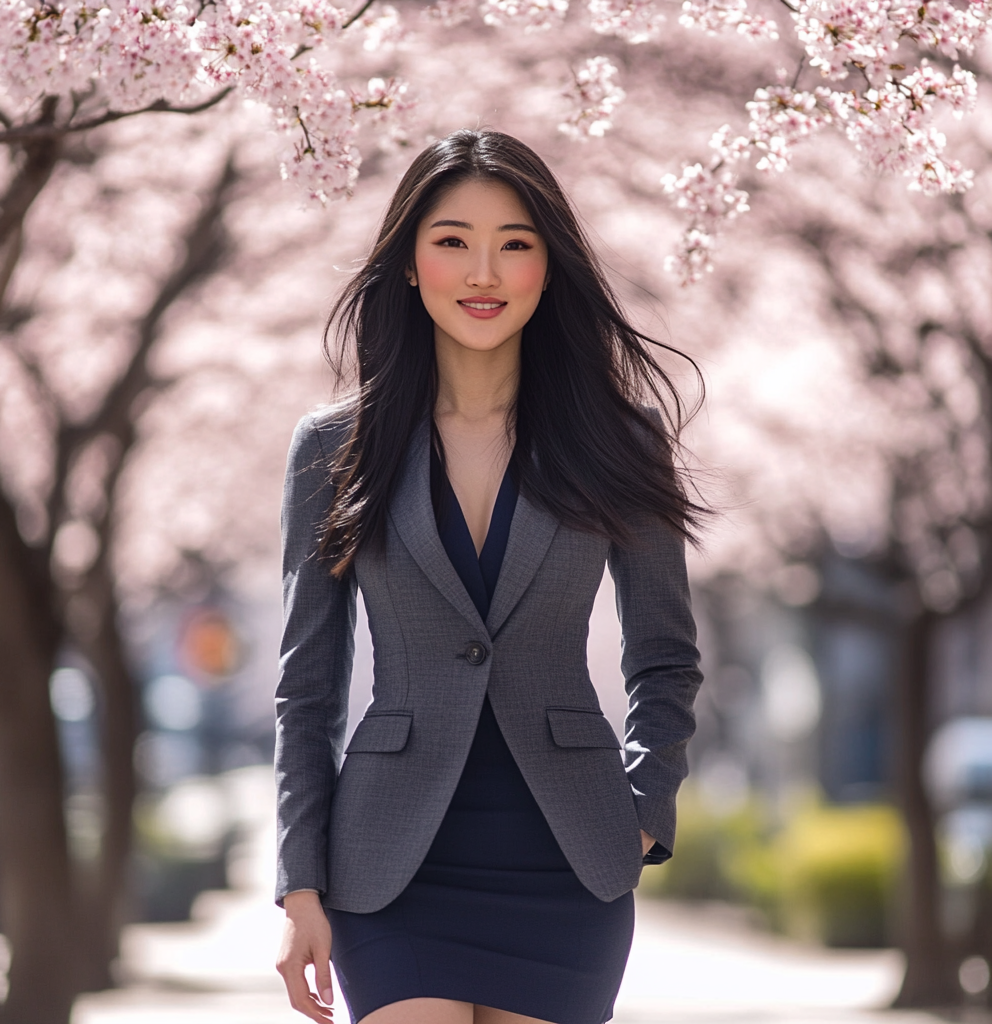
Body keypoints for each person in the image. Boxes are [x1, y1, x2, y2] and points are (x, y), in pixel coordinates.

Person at [274, 128, 705, 1024]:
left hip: (567, 858)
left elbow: (664, 657)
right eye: (451, 242)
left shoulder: (617, 442)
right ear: (406, 263)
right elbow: (305, 687)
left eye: (515, 244)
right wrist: (298, 883)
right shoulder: (331, 449)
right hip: (391, 862)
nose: (483, 273)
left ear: (549, 268)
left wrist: (643, 809)